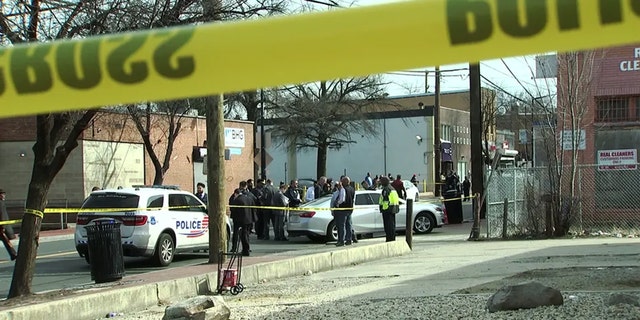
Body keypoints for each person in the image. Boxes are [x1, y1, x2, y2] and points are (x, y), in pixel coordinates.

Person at [229, 188, 256, 256]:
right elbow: (253, 208)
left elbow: (233, 209)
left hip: (239, 220)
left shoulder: (237, 200)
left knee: (239, 235)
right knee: (246, 235)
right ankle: (246, 249)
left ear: (235, 193)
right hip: (249, 220)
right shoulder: (248, 198)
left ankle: (236, 248)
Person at [379, 177, 400, 242]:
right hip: (393, 209)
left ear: (385, 181)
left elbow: (385, 201)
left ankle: (389, 240)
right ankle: (392, 239)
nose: (381, 182)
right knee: (392, 226)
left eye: (382, 181)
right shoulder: (392, 188)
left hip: (387, 211)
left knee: (388, 227)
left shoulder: (386, 189)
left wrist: (383, 209)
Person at [336, 176, 355, 246]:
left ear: (345, 182)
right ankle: (349, 240)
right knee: (349, 225)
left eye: (342, 181)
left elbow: (342, 199)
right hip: (350, 209)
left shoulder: (343, 189)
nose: (341, 182)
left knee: (342, 225)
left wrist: (337, 204)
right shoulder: (352, 189)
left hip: (343, 209)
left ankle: (341, 241)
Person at [0, 189, 17, 261]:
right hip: (2, 225)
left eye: (4, 194)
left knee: (6, 240)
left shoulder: (1, 202)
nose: (4, 195)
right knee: (6, 241)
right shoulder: (0, 203)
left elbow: (2, 215)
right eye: (2, 194)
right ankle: (13, 254)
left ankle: (13, 254)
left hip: (2, 225)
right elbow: (1, 214)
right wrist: (3, 226)